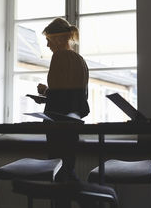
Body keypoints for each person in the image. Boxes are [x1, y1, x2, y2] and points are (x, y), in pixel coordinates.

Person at [36, 18, 90, 183]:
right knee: (68, 168)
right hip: (73, 123)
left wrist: (46, 92)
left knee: (59, 172)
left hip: (57, 125)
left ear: (58, 39)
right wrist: (49, 92)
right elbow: (74, 95)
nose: (47, 45)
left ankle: (89, 201)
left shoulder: (59, 57)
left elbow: (59, 97)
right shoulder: (80, 60)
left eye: (48, 40)